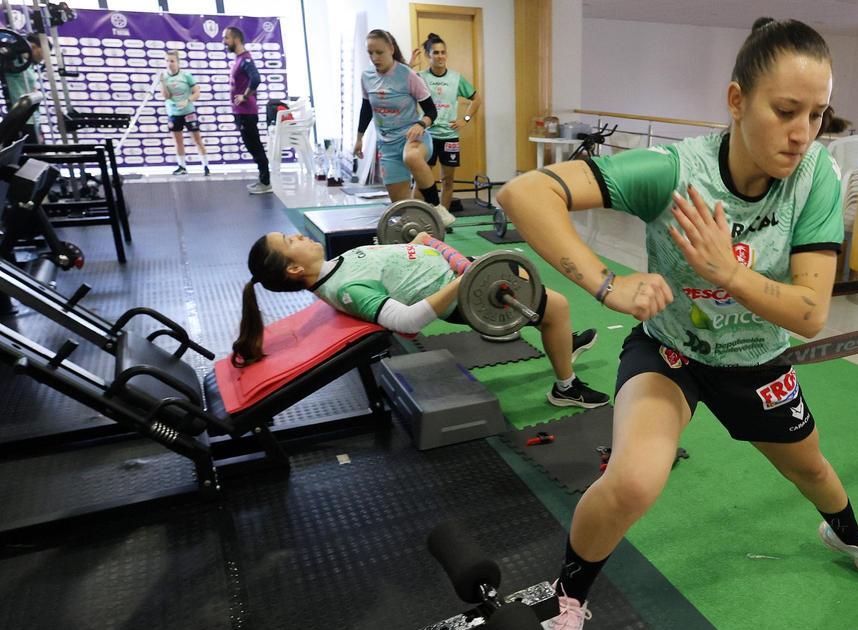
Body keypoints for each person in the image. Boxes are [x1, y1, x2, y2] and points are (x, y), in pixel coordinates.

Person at [496, 17, 858, 630]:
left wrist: (729, 273)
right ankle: (567, 600)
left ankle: (847, 533)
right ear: (737, 100)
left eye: (818, 115)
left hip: (756, 360)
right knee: (633, 480)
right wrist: (606, 284)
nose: (802, 133)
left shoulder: (815, 179)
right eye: (786, 110)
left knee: (813, 470)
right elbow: (526, 193)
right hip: (671, 352)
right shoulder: (672, 170)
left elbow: (810, 312)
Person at [232, 231, 610, 409]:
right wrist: (464, 282)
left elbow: (387, 266)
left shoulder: (334, 271)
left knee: (544, 307)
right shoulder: (348, 291)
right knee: (555, 304)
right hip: (465, 296)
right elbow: (407, 321)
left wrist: (418, 241)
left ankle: (560, 342)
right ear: (295, 267)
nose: (298, 235)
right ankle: (566, 387)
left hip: (452, 271)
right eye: (290, 240)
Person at [354, 29, 455, 227]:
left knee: (411, 157)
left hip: (413, 137)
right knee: (404, 212)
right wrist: (359, 138)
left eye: (379, 52)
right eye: (370, 53)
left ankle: (437, 208)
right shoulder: (366, 77)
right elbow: (366, 108)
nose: (375, 58)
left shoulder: (408, 75)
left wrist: (420, 124)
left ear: (391, 49)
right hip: (388, 146)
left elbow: (431, 112)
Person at [408, 33, 481, 212]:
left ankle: (443, 218)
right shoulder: (420, 77)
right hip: (427, 136)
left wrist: (465, 119)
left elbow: (476, 99)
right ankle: (413, 215)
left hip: (450, 137)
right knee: (422, 179)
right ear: (428, 55)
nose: (440, 56)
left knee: (448, 180)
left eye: (443, 52)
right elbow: (399, 87)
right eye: (436, 53)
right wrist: (408, 67)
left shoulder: (456, 79)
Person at [223, 26, 271, 194]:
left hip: (246, 112)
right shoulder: (239, 59)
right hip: (241, 113)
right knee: (252, 146)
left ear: (236, 39)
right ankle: (263, 179)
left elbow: (256, 79)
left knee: (255, 146)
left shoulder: (245, 59)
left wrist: (244, 96)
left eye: (226, 38)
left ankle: (266, 182)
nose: (224, 42)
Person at [161, 50, 210, 176]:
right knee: (178, 141)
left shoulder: (186, 75)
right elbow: (166, 96)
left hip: (188, 112)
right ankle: (182, 167)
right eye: (167, 61)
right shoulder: (164, 77)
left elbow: (197, 92)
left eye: (172, 61)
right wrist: (162, 83)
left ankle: (206, 167)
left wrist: (187, 101)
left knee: (197, 139)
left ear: (178, 62)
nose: (169, 64)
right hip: (173, 113)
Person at [0, 33, 44, 143]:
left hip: (33, 117)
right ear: (34, 47)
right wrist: (6, 56)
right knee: (34, 154)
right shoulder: (14, 60)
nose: (44, 57)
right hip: (22, 117)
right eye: (44, 52)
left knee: (38, 153)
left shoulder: (29, 65)